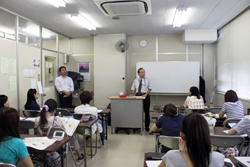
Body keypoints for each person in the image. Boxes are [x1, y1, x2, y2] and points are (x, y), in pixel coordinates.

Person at [158, 113, 224, 167]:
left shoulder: (170, 157)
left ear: (182, 135)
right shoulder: (218, 158)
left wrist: (183, 153)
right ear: (207, 134)